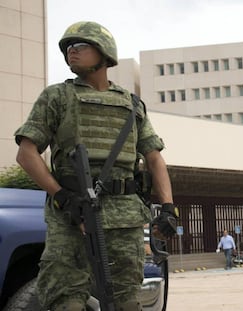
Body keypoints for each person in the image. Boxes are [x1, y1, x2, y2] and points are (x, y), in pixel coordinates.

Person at [14, 21, 178, 311]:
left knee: (128, 299)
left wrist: (167, 208)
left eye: (79, 46)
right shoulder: (57, 97)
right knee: (66, 299)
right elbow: (27, 154)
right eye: (67, 49)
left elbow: (154, 157)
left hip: (124, 217)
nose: (71, 53)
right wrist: (62, 196)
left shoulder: (132, 104)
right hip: (72, 216)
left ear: (103, 53)